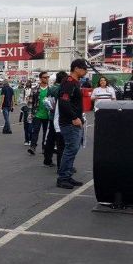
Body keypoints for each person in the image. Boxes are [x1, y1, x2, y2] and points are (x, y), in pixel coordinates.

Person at [55, 59, 88, 189]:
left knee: (73, 149)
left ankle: (67, 175)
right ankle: (63, 177)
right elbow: (64, 102)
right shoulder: (68, 82)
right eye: (84, 68)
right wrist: (74, 117)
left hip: (74, 121)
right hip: (69, 122)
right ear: (76, 68)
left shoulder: (75, 83)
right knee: (70, 149)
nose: (85, 71)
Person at [43, 71, 66, 168]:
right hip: (60, 117)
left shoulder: (51, 88)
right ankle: (61, 165)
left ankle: (47, 159)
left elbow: (47, 101)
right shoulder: (61, 89)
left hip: (52, 115)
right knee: (61, 141)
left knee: (50, 139)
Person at [27, 72, 51, 156]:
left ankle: (45, 148)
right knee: (35, 131)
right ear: (40, 79)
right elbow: (30, 102)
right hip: (37, 114)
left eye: (48, 77)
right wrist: (30, 114)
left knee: (46, 133)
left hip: (48, 115)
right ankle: (32, 147)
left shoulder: (50, 89)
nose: (47, 79)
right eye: (45, 77)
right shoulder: (35, 89)